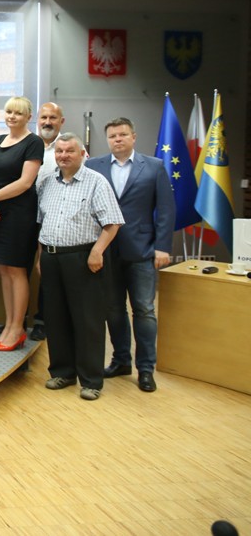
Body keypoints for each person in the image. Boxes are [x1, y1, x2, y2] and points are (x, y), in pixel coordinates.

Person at [87, 117, 176, 393]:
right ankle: (121, 361)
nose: (117, 139)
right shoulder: (94, 166)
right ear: (108, 140)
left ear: (133, 137)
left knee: (144, 310)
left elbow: (166, 209)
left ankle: (146, 369)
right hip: (106, 251)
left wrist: (163, 247)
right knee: (113, 309)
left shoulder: (154, 166)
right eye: (112, 136)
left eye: (123, 134)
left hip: (142, 250)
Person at [38, 133, 123, 401]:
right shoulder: (46, 182)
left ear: (82, 153)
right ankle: (63, 372)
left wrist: (97, 251)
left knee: (88, 320)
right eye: (59, 151)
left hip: (83, 258)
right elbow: (42, 222)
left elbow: (113, 222)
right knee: (56, 317)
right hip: (51, 257)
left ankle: (91, 380)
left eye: (69, 151)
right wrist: (40, 257)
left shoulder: (96, 182)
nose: (63, 156)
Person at [0, 96, 43, 351]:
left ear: (28, 117)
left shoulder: (33, 142)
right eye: (9, 112)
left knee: (16, 271)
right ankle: (7, 325)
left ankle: (18, 329)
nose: (12, 117)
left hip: (18, 214)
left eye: (18, 113)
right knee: (3, 271)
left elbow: (25, 183)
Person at [30, 101, 69, 341]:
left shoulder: (68, 147)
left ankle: (44, 321)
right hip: (25, 216)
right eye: (43, 117)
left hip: (54, 218)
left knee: (48, 272)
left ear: (61, 121)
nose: (47, 122)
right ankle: (18, 320)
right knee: (21, 269)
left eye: (52, 118)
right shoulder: (29, 144)